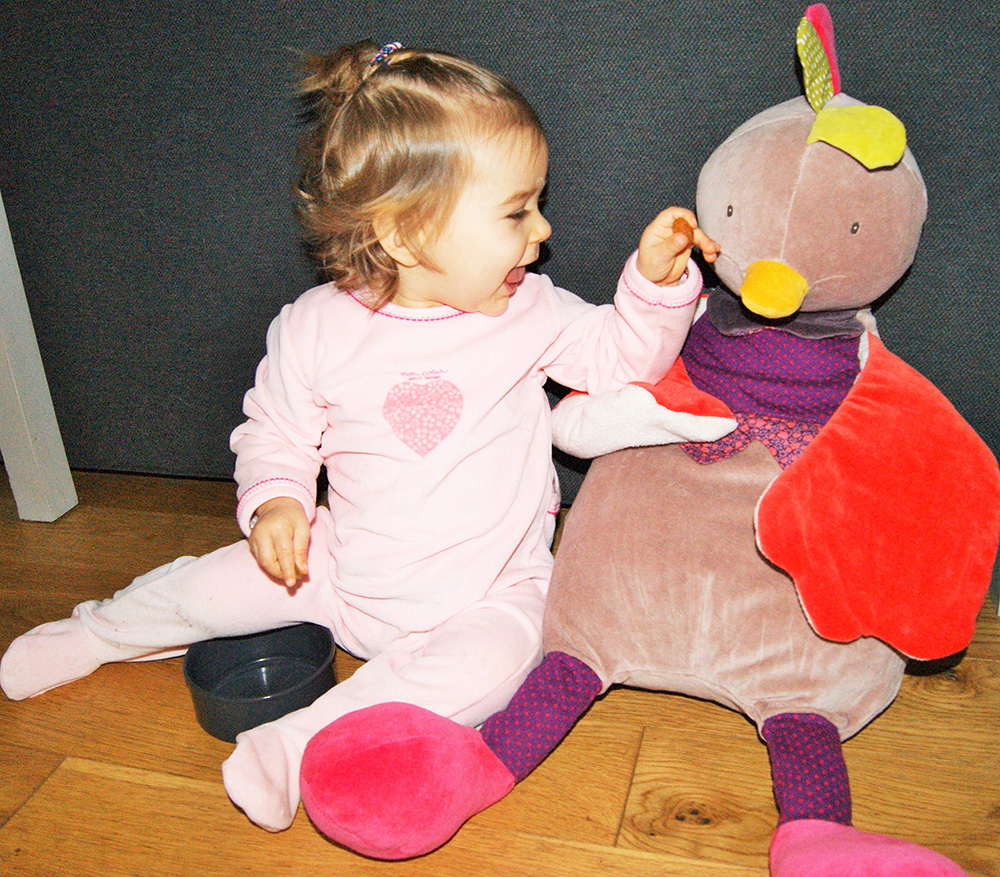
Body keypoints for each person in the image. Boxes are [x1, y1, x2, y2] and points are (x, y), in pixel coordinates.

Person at [0, 40, 718, 833]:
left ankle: (296, 744)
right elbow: (275, 429)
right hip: (340, 569)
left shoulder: (532, 310)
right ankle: (97, 631)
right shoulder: (315, 328)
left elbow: (621, 358)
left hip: (491, 591)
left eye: (537, 204)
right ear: (404, 236)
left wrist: (655, 285)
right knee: (204, 590)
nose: (542, 231)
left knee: (494, 665)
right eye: (516, 212)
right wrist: (276, 502)